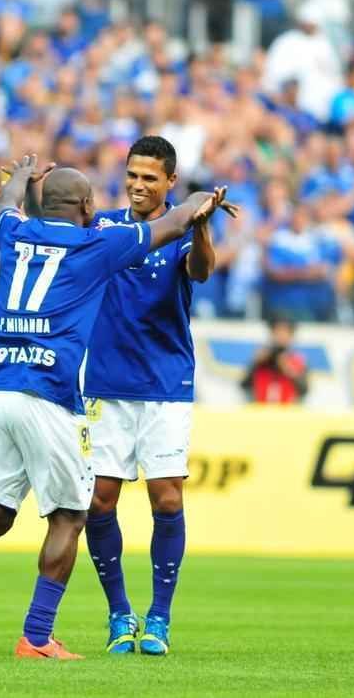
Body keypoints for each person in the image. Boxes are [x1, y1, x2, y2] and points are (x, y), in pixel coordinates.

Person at [0, 154, 219, 659]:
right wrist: (204, 201)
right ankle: (36, 637)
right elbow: (175, 221)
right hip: (47, 395)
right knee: (71, 518)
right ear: (86, 206)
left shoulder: (12, 233)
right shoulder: (96, 245)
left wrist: (23, 176)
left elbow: (4, 205)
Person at [78, 136, 232, 657]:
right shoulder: (104, 228)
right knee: (100, 499)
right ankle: (119, 613)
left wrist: (203, 223)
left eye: (150, 178)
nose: (139, 185)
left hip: (165, 384)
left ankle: (159, 618)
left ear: (171, 182)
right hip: (105, 383)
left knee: (166, 496)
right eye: (133, 175)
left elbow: (203, 271)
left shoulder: (183, 232)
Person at [240, 316, 307, 404]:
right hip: (260, 411)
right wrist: (255, 363)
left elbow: (304, 390)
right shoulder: (262, 357)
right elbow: (244, 385)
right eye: (277, 332)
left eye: (285, 332)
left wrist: (288, 369)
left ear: (291, 335)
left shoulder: (297, 360)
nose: (281, 336)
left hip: (287, 412)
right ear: (272, 333)